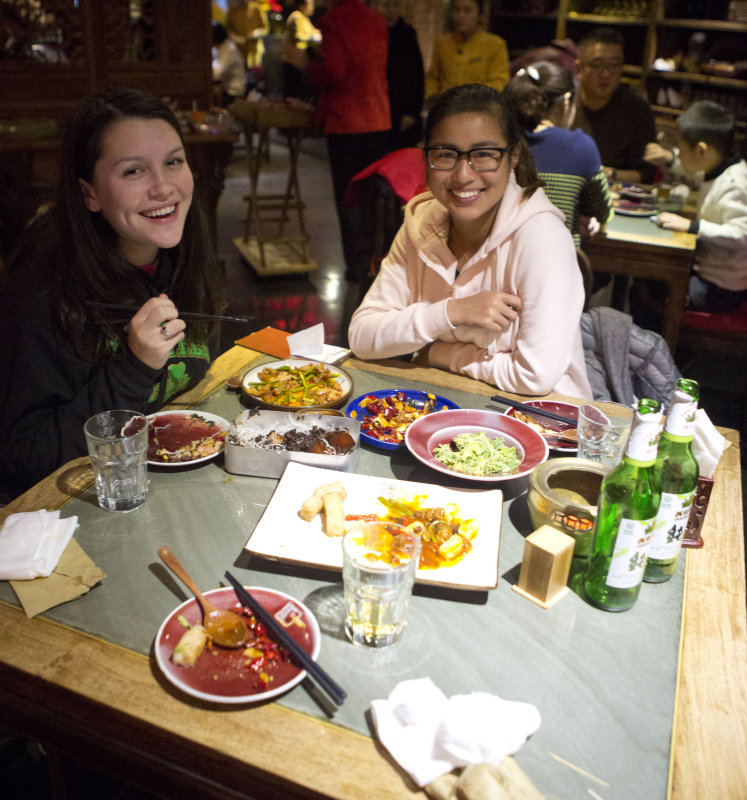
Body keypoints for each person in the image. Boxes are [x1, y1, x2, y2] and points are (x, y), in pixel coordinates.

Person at [0, 88, 223, 503]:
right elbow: (24, 457)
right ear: (90, 193)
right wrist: (134, 368)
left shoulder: (183, 252)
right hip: (68, 511)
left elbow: (196, 369)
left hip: (170, 481)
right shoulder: (41, 291)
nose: (163, 188)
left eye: (173, 162)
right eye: (133, 171)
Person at [348, 83, 591, 398]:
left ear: (513, 155)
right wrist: (450, 312)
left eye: (484, 155)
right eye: (446, 154)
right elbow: (363, 337)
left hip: (541, 421)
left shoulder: (542, 239)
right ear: (426, 157)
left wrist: (438, 353)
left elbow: (535, 376)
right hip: (442, 399)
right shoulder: (420, 222)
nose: (463, 175)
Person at [307, 0, 390, 280]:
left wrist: (308, 67)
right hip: (379, 118)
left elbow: (334, 70)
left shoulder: (333, 21)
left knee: (349, 197)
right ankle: (376, 261)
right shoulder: (376, 19)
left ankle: (356, 266)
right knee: (374, 195)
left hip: (347, 122)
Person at [644, 100, 747, 313]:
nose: (678, 154)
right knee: (649, 278)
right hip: (705, 273)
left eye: (680, 149)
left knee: (647, 288)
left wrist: (692, 226)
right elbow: (691, 169)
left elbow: (741, 236)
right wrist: (669, 157)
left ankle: (662, 342)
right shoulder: (717, 167)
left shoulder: (736, 184)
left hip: (721, 289)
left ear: (701, 151)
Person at [503, 61, 612, 247]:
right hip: (557, 265)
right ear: (565, 102)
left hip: (496, 266)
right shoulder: (581, 146)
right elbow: (602, 211)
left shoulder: (500, 140)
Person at [572, 27, 656, 185]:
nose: (606, 74)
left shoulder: (637, 110)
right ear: (579, 68)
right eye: (597, 65)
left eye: (614, 65)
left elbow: (646, 174)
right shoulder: (563, 103)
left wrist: (609, 173)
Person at [424, 0, 509, 103]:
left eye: (467, 10)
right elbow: (433, 78)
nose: (460, 15)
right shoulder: (442, 43)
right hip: (446, 107)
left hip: (478, 107)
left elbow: (499, 82)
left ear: (479, 15)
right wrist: (432, 97)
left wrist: (471, 98)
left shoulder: (495, 45)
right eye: (456, 10)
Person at [378, 0, 425, 152]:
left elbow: (417, 75)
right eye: (386, 5)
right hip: (378, 109)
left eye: (395, 5)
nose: (390, 11)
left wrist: (411, 112)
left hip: (402, 110)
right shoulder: (372, 33)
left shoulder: (407, 34)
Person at [281, 0, 321, 101]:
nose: (312, 8)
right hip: (292, 61)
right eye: (310, 5)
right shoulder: (297, 17)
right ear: (302, 5)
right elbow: (299, 36)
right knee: (291, 92)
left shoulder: (305, 19)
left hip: (300, 62)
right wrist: (313, 37)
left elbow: (314, 32)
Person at [212, 21, 247, 107]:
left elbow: (217, 74)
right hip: (226, 89)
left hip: (235, 92)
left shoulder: (229, 49)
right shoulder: (220, 47)